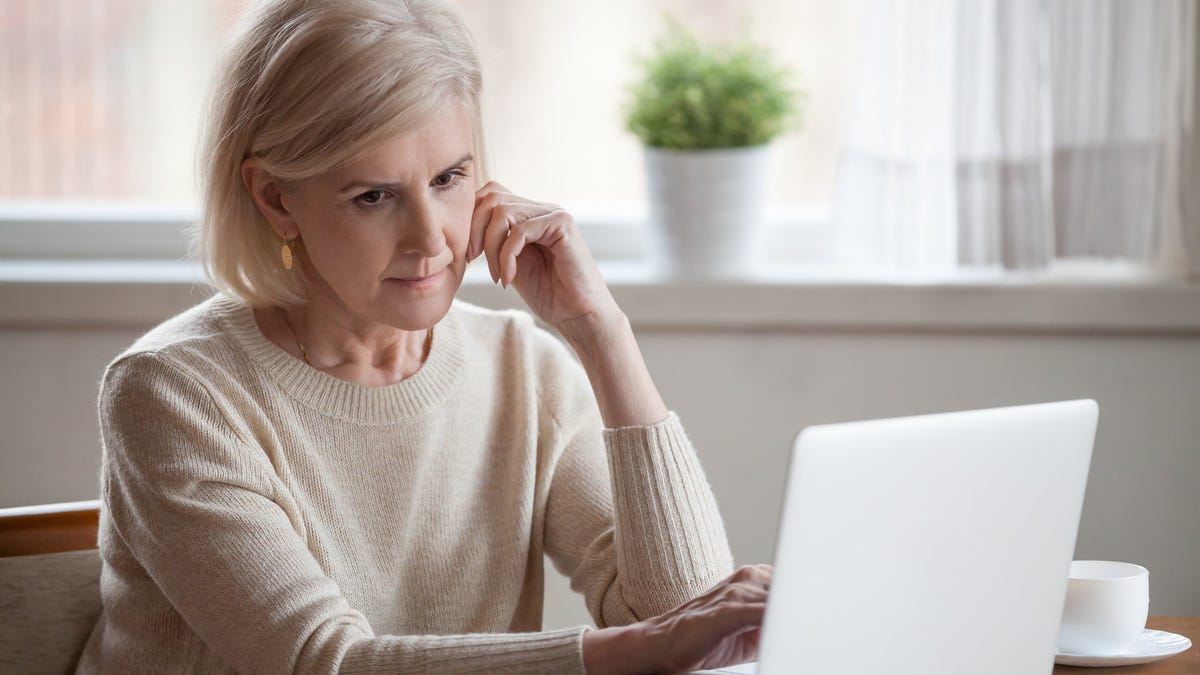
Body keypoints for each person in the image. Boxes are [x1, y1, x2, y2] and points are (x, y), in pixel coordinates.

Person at [76, 0, 771, 672]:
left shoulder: (522, 368)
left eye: (449, 177)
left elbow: (691, 619)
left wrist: (602, 335)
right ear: (275, 197)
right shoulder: (170, 393)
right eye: (374, 196)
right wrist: (639, 649)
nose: (431, 237)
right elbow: (329, 664)